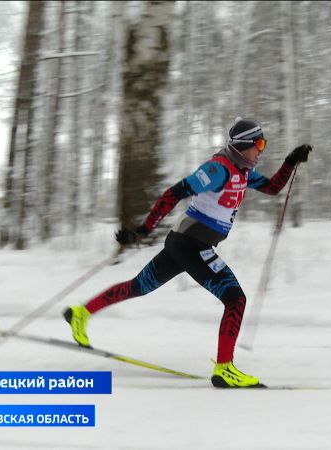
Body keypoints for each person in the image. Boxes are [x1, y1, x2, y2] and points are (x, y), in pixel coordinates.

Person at [64, 118, 311, 388]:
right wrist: (143, 231)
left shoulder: (244, 171)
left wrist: (290, 162)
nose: (261, 150)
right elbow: (174, 193)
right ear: (242, 145)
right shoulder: (218, 170)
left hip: (185, 244)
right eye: (259, 144)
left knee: (139, 286)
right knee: (235, 299)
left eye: (264, 144)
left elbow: (273, 188)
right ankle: (225, 369)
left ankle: (81, 313)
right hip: (192, 245)